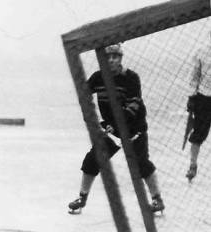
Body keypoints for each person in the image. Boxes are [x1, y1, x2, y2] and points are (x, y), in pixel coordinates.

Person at [68, 44, 165, 214]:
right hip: (112, 129)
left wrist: (115, 124)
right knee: (92, 160)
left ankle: (157, 200)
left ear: (121, 58)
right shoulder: (97, 78)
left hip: (134, 128)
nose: (111, 60)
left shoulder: (131, 77)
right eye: (108, 57)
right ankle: (82, 198)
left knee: (141, 164)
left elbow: (133, 106)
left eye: (115, 57)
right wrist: (92, 122)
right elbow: (83, 95)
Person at [185, 34, 211, 182]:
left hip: (204, 96)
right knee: (198, 134)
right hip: (204, 98)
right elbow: (194, 77)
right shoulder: (201, 51)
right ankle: (193, 165)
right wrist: (191, 97)